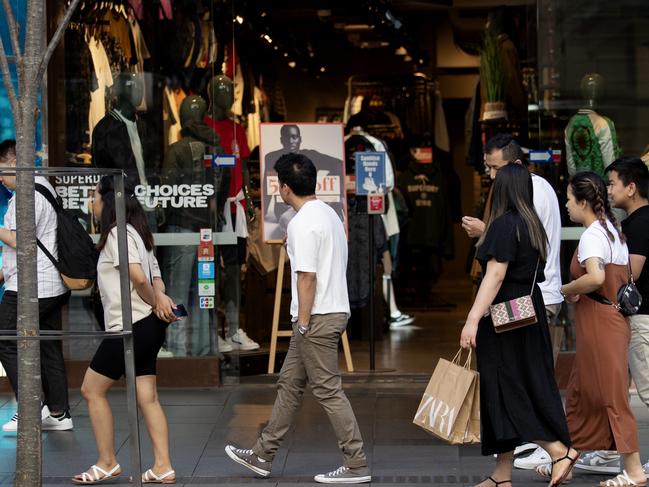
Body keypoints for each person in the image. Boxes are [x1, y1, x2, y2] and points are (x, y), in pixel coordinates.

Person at [224, 153, 371, 484]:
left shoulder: (304, 223)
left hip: (316, 318)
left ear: (285, 187)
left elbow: (307, 278)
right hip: (327, 312)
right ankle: (263, 454)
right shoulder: (328, 214)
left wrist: (302, 324)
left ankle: (357, 463)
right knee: (289, 385)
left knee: (328, 390)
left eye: (278, 183)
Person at [460, 163, 576, 487]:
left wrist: (472, 319)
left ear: (502, 190)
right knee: (517, 385)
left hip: (503, 315)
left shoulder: (502, 225)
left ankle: (558, 451)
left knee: (507, 389)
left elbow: (495, 275)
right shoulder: (532, 224)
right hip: (528, 309)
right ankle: (502, 474)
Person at [73, 176, 176, 484]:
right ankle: (163, 466)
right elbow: (154, 274)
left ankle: (107, 462)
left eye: (95, 197)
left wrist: (156, 300)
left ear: (107, 203)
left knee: (91, 390)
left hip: (130, 327)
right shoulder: (137, 232)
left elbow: (139, 278)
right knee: (148, 396)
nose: (92, 203)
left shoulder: (118, 233)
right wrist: (160, 299)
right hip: (150, 326)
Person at [558, 171, 646, 487]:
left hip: (599, 323)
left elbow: (595, 278)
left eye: (569, 199)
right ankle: (567, 457)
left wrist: (568, 288)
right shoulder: (612, 230)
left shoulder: (592, 236)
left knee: (610, 396)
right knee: (582, 393)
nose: (566, 205)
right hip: (608, 321)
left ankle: (634, 471)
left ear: (583, 202)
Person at [0, 139, 74, 432]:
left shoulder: (25, 195)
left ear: (14, 162)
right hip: (52, 283)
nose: (1, 179)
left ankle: (32, 408)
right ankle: (59, 413)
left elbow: (21, 241)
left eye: (2, 171)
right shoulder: (44, 185)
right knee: (49, 347)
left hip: (33, 285)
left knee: (5, 339)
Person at [263, 124, 345, 240]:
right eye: (287, 137)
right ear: (282, 140)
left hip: (311, 205)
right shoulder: (272, 157)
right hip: (285, 208)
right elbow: (267, 185)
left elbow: (339, 164)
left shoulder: (311, 155)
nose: (291, 141)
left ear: (300, 139)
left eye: (294, 137)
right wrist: (263, 212)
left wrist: (333, 191)